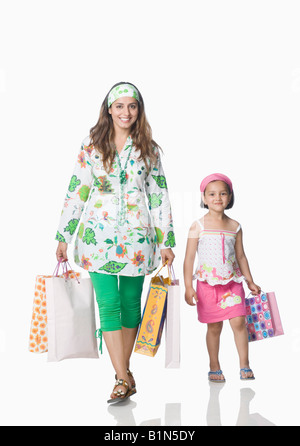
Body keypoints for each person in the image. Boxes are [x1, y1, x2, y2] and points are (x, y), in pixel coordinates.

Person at [55, 82, 175, 403]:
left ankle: (124, 372)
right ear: (109, 109)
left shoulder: (147, 148)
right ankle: (122, 377)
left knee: (130, 308)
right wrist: (63, 235)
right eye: (119, 106)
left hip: (138, 240)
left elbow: (158, 195)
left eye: (132, 106)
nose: (126, 112)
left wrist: (167, 240)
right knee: (108, 305)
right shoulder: (92, 145)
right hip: (97, 240)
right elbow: (77, 189)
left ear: (139, 111)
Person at [183, 173, 260, 383]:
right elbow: (189, 258)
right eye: (212, 194)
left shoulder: (235, 226)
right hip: (207, 285)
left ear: (230, 197)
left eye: (223, 194)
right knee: (214, 326)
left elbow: (241, 256)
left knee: (238, 321)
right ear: (204, 198)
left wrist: (250, 280)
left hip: (233, 283)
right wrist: (188, 287)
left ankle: (245, 364)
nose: (218, 198)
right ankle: (214, 365)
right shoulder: (197, 226)